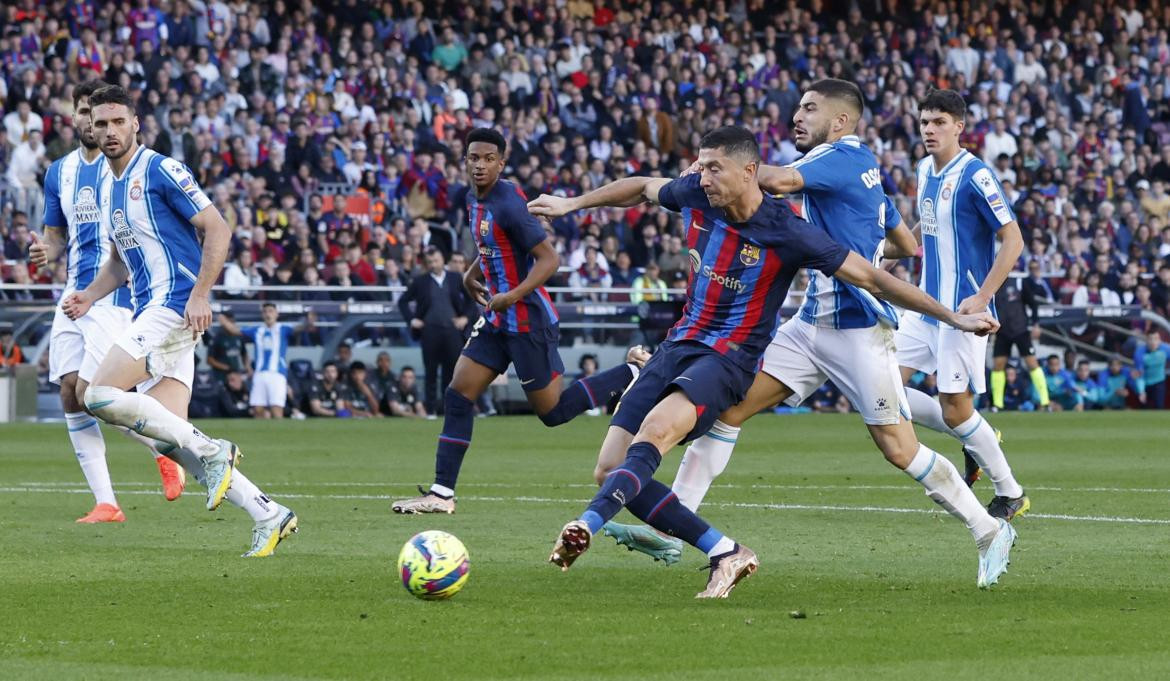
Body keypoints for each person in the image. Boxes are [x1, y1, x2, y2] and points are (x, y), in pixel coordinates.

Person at [527, 125, 1008, 596]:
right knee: (726, 414)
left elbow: (873, 277)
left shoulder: (824, 183)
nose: (702, 175)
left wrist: (952, 317)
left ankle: (989, 529)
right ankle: (692, 537)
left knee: (898, 449)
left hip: (853, 333)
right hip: (802, 327)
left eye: (809, 107)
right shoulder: (701, 191)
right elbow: (642, 187)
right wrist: (573, 203)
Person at [60, 85, 297, 557]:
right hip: (152, 307)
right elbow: (121, 263)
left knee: (98, 396)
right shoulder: (107, 188)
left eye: (117, 122)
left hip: (173, 304)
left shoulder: (161, 168)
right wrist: (88, 295)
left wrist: (201, 294)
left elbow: (218, 228)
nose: (108, 131)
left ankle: (215, 453)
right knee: (170, 438)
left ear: (135, 124)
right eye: (100, 123)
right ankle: (268, 513)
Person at [391, 128, 649, 515]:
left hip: (527, 319)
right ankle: (441, 494)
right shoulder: (471, 198)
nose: (480, 165)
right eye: (473, 157)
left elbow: (549, 260)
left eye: (488, 159)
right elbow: (493, 243)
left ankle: (631, 371)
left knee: (553, 412)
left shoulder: (510, 204)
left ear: (501, 162)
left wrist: (512, 295)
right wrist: (470, 274)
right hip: (497, 320)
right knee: (458, 393)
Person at [30, 79, 184, 523]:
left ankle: (166, 447)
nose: (89, 123)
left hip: (115, 296)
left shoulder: (124, 167)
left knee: (92, 392)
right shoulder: (59, 172)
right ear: (77, 119)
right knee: (68, 392)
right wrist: (45, 251)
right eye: (82, 114)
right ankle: (107, 502)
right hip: (73, 294)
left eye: (95, 116)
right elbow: (56, 238)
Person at [893, 89, 1029, 520]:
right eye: (924, 122)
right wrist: (892, 247)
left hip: (961, 313)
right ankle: (975, 437)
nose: (929, 130)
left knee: (955, 408)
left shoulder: (976, 175)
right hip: (924, 305)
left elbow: (1014, 239)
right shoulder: (923, 169)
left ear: (958, 126)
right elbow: (925, 224)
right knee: (881, 385)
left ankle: (1010, 492)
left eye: (938, 122)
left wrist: (982, 297)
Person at [397, 245, 476, 414]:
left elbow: (472, 300)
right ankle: (431, 410)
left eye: (436, 260)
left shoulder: (456, 278)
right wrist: (412, 320)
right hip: (430, 331)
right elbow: (403, 301)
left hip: (452, 331)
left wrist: (465, 318)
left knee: (453, 372)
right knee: (430, 372)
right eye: (430, 261)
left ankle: (450, 409)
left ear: (443, 261)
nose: (433, 264)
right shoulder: (420, 281)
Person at [218, 304, 312, 419]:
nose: (268, 314)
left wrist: (309, 320)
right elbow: (235, 331)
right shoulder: (257, 330)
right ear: (262, 314)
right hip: (260, 374)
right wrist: (224, 321)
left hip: (277, 374)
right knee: (257, 409)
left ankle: (278, 435)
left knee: (276, 409)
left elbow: (300, 328)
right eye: (266, 311)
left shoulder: (283, 329)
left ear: (277, 314)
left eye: (271, 311)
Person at [989, 280, 1049, 412]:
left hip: (1020, 331)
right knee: (998, 365)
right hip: (1002, 331)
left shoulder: (1019, 282)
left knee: (1032, 363)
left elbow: (1033, 304)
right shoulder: (992, 285)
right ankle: (997, 404)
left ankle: (1045, 402)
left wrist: (1035, 324)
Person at [1133, 331, 1169, 409]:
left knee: (1159, 407)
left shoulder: (1166, 349)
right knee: (1144, 408)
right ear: (1146, 340)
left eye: (1156, 339)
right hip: (1145, 383)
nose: (1153, 342)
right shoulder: (1139, 353)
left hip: (1159, 382)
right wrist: (1141, 391)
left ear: (1160, 340)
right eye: (1150, 339)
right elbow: (1139, 374)